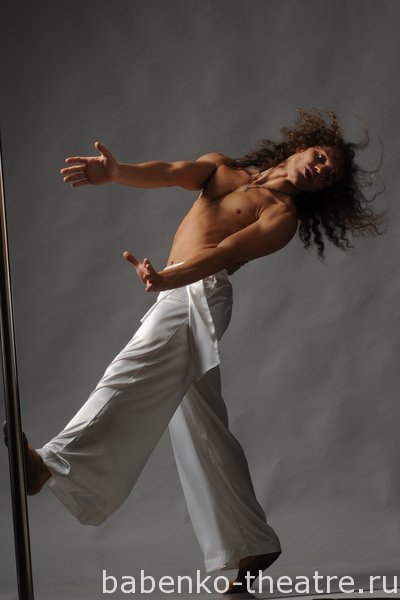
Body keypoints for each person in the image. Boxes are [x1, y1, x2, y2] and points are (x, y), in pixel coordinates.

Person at [7, 109, 385, 593]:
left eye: (328, 175)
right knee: (201, 426)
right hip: (175, 289)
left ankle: (49, 466)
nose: (320, 169)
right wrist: (118, 172)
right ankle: (253, 542)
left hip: (201, 293)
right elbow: (169, 172)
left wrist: (171, 277)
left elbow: (224, 254)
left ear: (322, 191)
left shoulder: (281, 217)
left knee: (129, 372)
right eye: (321, 157)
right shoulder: (223, 167)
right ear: (302, 146)